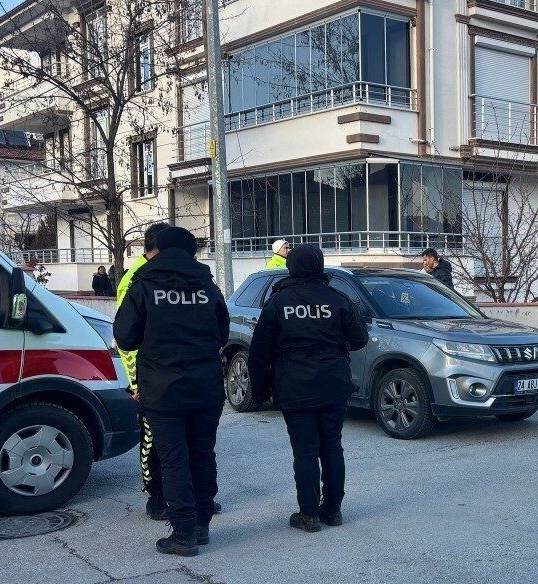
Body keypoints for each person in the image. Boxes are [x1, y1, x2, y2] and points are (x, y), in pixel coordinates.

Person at [114, 227, 229, 556]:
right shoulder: (207, 286)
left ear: (160, 250)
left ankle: (183, 533)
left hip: (163, 388)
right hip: (205, 386)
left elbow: (125, 337)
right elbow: (222, 333)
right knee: (203, 454)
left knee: (174, 458)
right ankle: (201, 526)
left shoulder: (144, 285)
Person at [248, 244, 367, 533]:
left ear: (291, 266)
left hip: (294, 385)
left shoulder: (279, 301)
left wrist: (260, 390)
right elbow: (359, 338)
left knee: (305, 450)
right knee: (332, 446)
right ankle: (333, 511)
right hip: (333, 383)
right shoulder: (337, 298)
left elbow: (259, 351)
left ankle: (309, 514)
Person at [117, 222, 170, 519]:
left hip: (171, 374)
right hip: (148, 378)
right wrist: (135, 383)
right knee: (153, 441)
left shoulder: (166, 274)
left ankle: (185, 494)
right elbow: (126, 339)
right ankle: (156, 496)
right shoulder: (135, 278)